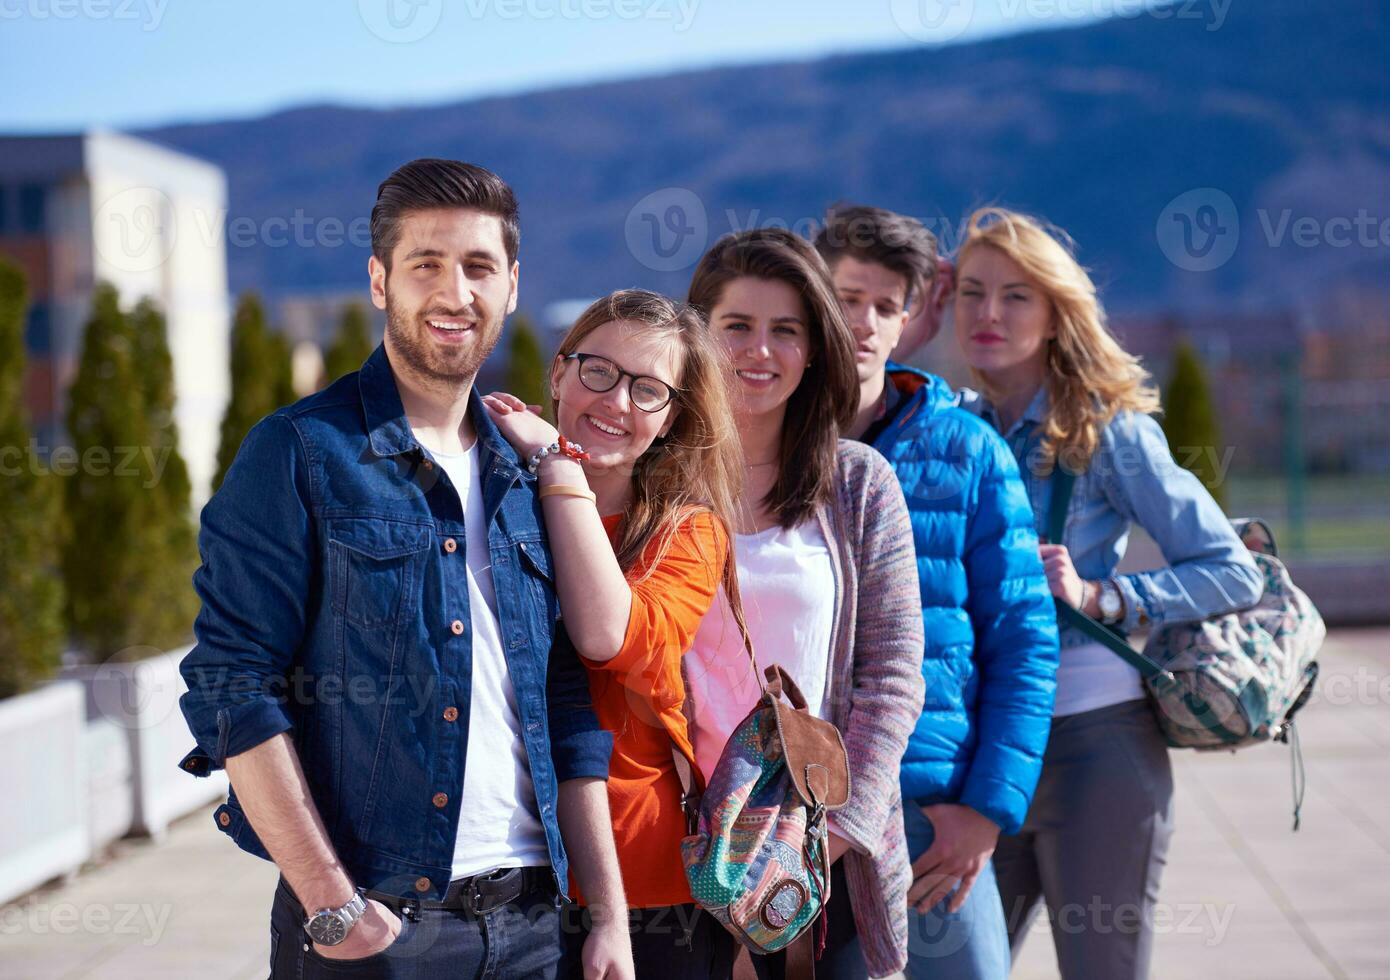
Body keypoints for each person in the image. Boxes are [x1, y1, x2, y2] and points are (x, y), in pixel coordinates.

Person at [177, 158, 633, 980]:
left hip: (540, 926)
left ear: (513, 286)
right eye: (426, 264)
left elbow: (565, 702)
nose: (455, 292)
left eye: (479, 267)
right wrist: (332, 904)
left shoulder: (522, 478)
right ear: (381, 281)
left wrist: (607, 915)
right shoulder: (302, 451)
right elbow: (233, 683)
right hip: (382, 929)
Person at [925, 206, 1265, 980]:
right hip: (983, 758)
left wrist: (1100, 595)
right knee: (952, 966)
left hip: (1095, 745)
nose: (987, 313)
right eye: (972, 292)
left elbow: (1230, 569)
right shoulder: (955, 427)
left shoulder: (1106, 429)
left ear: (1053, 313)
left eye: (1015, 295)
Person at [811, 205, 1060, 980]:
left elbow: (1023, 637)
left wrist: (985, 811)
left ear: (913, 316)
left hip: (932, 811)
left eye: (886, 305)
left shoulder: (969, 449)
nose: (862, 322)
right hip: (797, 813)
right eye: (845, 297)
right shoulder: (754, 442)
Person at [478, 288, 745, 979]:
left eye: (648, 389)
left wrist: (557, 466)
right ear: (559, 372)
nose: (617, 402)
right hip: (505, 865)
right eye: (598, 372)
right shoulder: (493, 501)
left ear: (672, 418)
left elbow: (606, 635)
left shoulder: (688, 533)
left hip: (649, 883)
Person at [684, 227, 927, 980]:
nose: (760, 350)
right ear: (696, 337)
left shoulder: (858, 483)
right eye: (736, 328)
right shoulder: (651, 480)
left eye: (784, 331)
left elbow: (893, 673)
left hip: (823, 859)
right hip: (677, 854)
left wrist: (833, 836)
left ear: (814, 348)